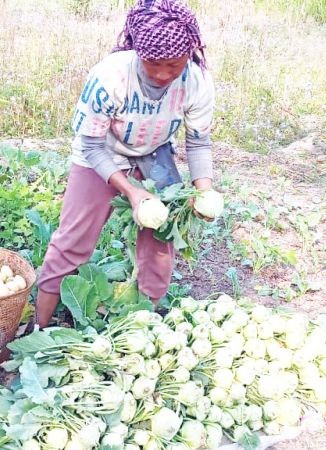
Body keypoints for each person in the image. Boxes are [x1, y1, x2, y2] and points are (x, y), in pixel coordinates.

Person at [34, 0, 216, 328]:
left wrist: (204, 191)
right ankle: (38, 327)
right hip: (101, 153)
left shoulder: (197, 81)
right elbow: (90, 144)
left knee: (160, 239)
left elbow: (198, 141)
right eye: (153, 64)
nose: (162, 75)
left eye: (173, 66)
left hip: (154, 154)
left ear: (188, 55)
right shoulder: (110, 76)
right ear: (137, 51)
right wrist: (132, 192)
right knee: (72, 242)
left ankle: (146, 323)